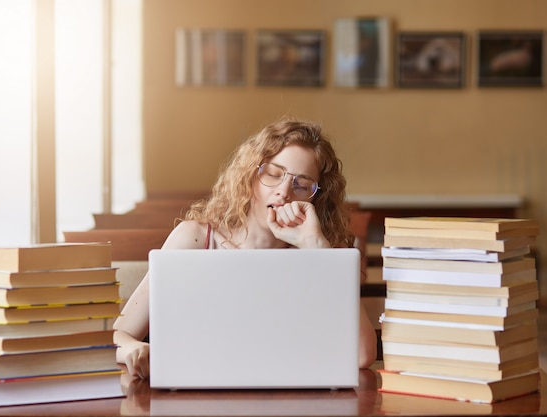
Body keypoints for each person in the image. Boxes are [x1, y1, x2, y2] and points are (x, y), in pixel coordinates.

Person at [113, 117, 378, 379]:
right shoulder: (193, 239)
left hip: (288, 396)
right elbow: (119, 335)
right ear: (250, 176)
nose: (284, 192)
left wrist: (317, 248)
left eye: (302, 185)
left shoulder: (319, 256)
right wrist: (133, 349)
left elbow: (363, 356)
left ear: (316, 198)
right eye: (273, 175)